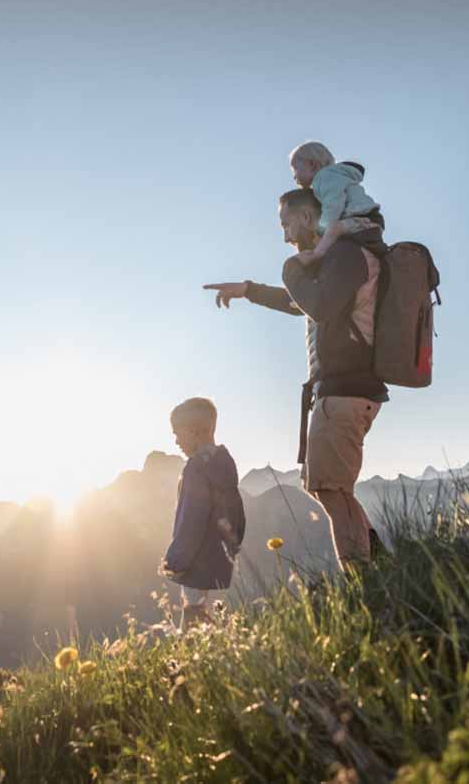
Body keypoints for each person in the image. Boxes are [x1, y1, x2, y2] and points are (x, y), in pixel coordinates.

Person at [203, 188, 386, 570]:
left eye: (286, 224)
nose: (285, 235)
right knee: (330, 489)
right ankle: (378, 566)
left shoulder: (346, 256)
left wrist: (291, 269)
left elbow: (316, 306)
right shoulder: (335, 262)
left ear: (306, 218)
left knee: (330, 489)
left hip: (345, 389)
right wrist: (249, 291)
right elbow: (299, 302)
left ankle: (365, 581)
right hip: (343, 390)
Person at [159, 397, 245, 627]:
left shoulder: (195, 469)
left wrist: (175, 560)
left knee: (193, 612)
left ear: (193, 431)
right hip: (217, 554)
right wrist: (233, 543)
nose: (176, 441)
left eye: (177, 433)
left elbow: (190, 519)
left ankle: (197, 657)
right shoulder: (225, 464)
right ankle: (213, 648)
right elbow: (237, 510)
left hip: (195, 556)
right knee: (201, 610)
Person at [288, 141, 382, 265]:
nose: (294, 176)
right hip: (369, 219)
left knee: (334, 229)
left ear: (312, 165)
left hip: (362, 218)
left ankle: (317, 254)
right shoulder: (333, 176)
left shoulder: (324, 177)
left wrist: (322, 229)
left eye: (295, 168)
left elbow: (334, 205)